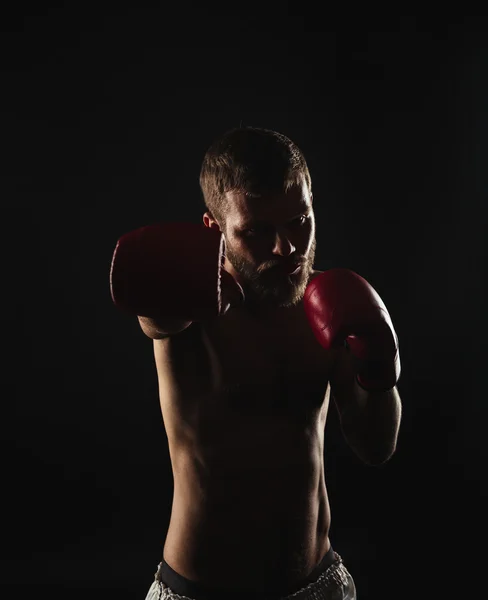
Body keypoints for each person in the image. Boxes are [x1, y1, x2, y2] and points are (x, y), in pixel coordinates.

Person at [110, 126, 402, 600]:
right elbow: (155, 320)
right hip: (199, 590)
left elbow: (376, 446)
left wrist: (380, 370)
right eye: (257, 231)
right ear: (214, 229)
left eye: (298, 221)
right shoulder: (186, 307)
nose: (286, 248)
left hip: (317, 584)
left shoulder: (333, 308)